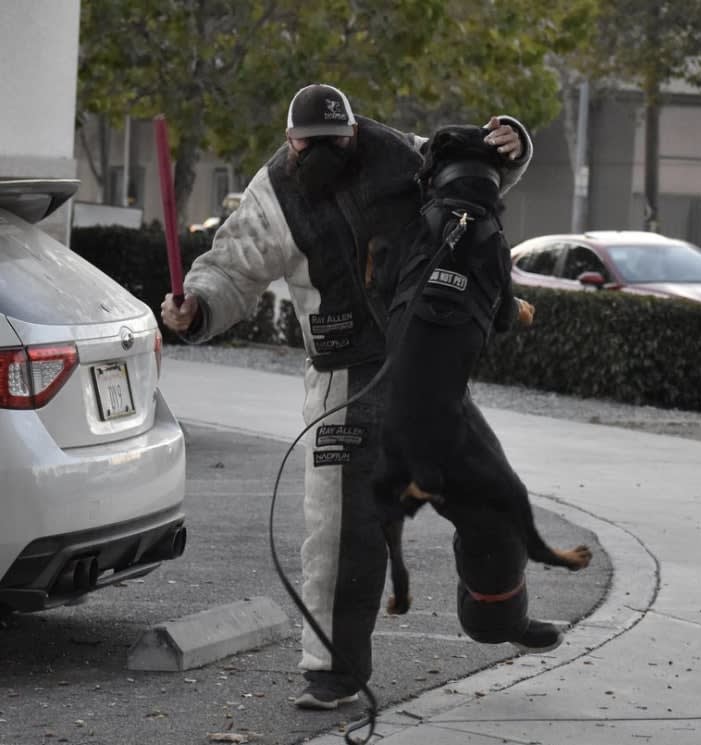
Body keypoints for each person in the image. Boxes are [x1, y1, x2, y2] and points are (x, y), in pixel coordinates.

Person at [160, 83, 533, 710]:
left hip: (425, 366)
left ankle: (498, 614)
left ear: (355, 132)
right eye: (313, 146)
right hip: (342, 379)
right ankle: (333, 673)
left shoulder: (402, 155)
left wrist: (513, 143)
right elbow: (231, 267)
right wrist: (196, 307)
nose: (328, 154)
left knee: (493, 503)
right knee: (340, 533)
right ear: (290, 142)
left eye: (339, 142)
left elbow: (476, 171)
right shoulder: (272, 193)